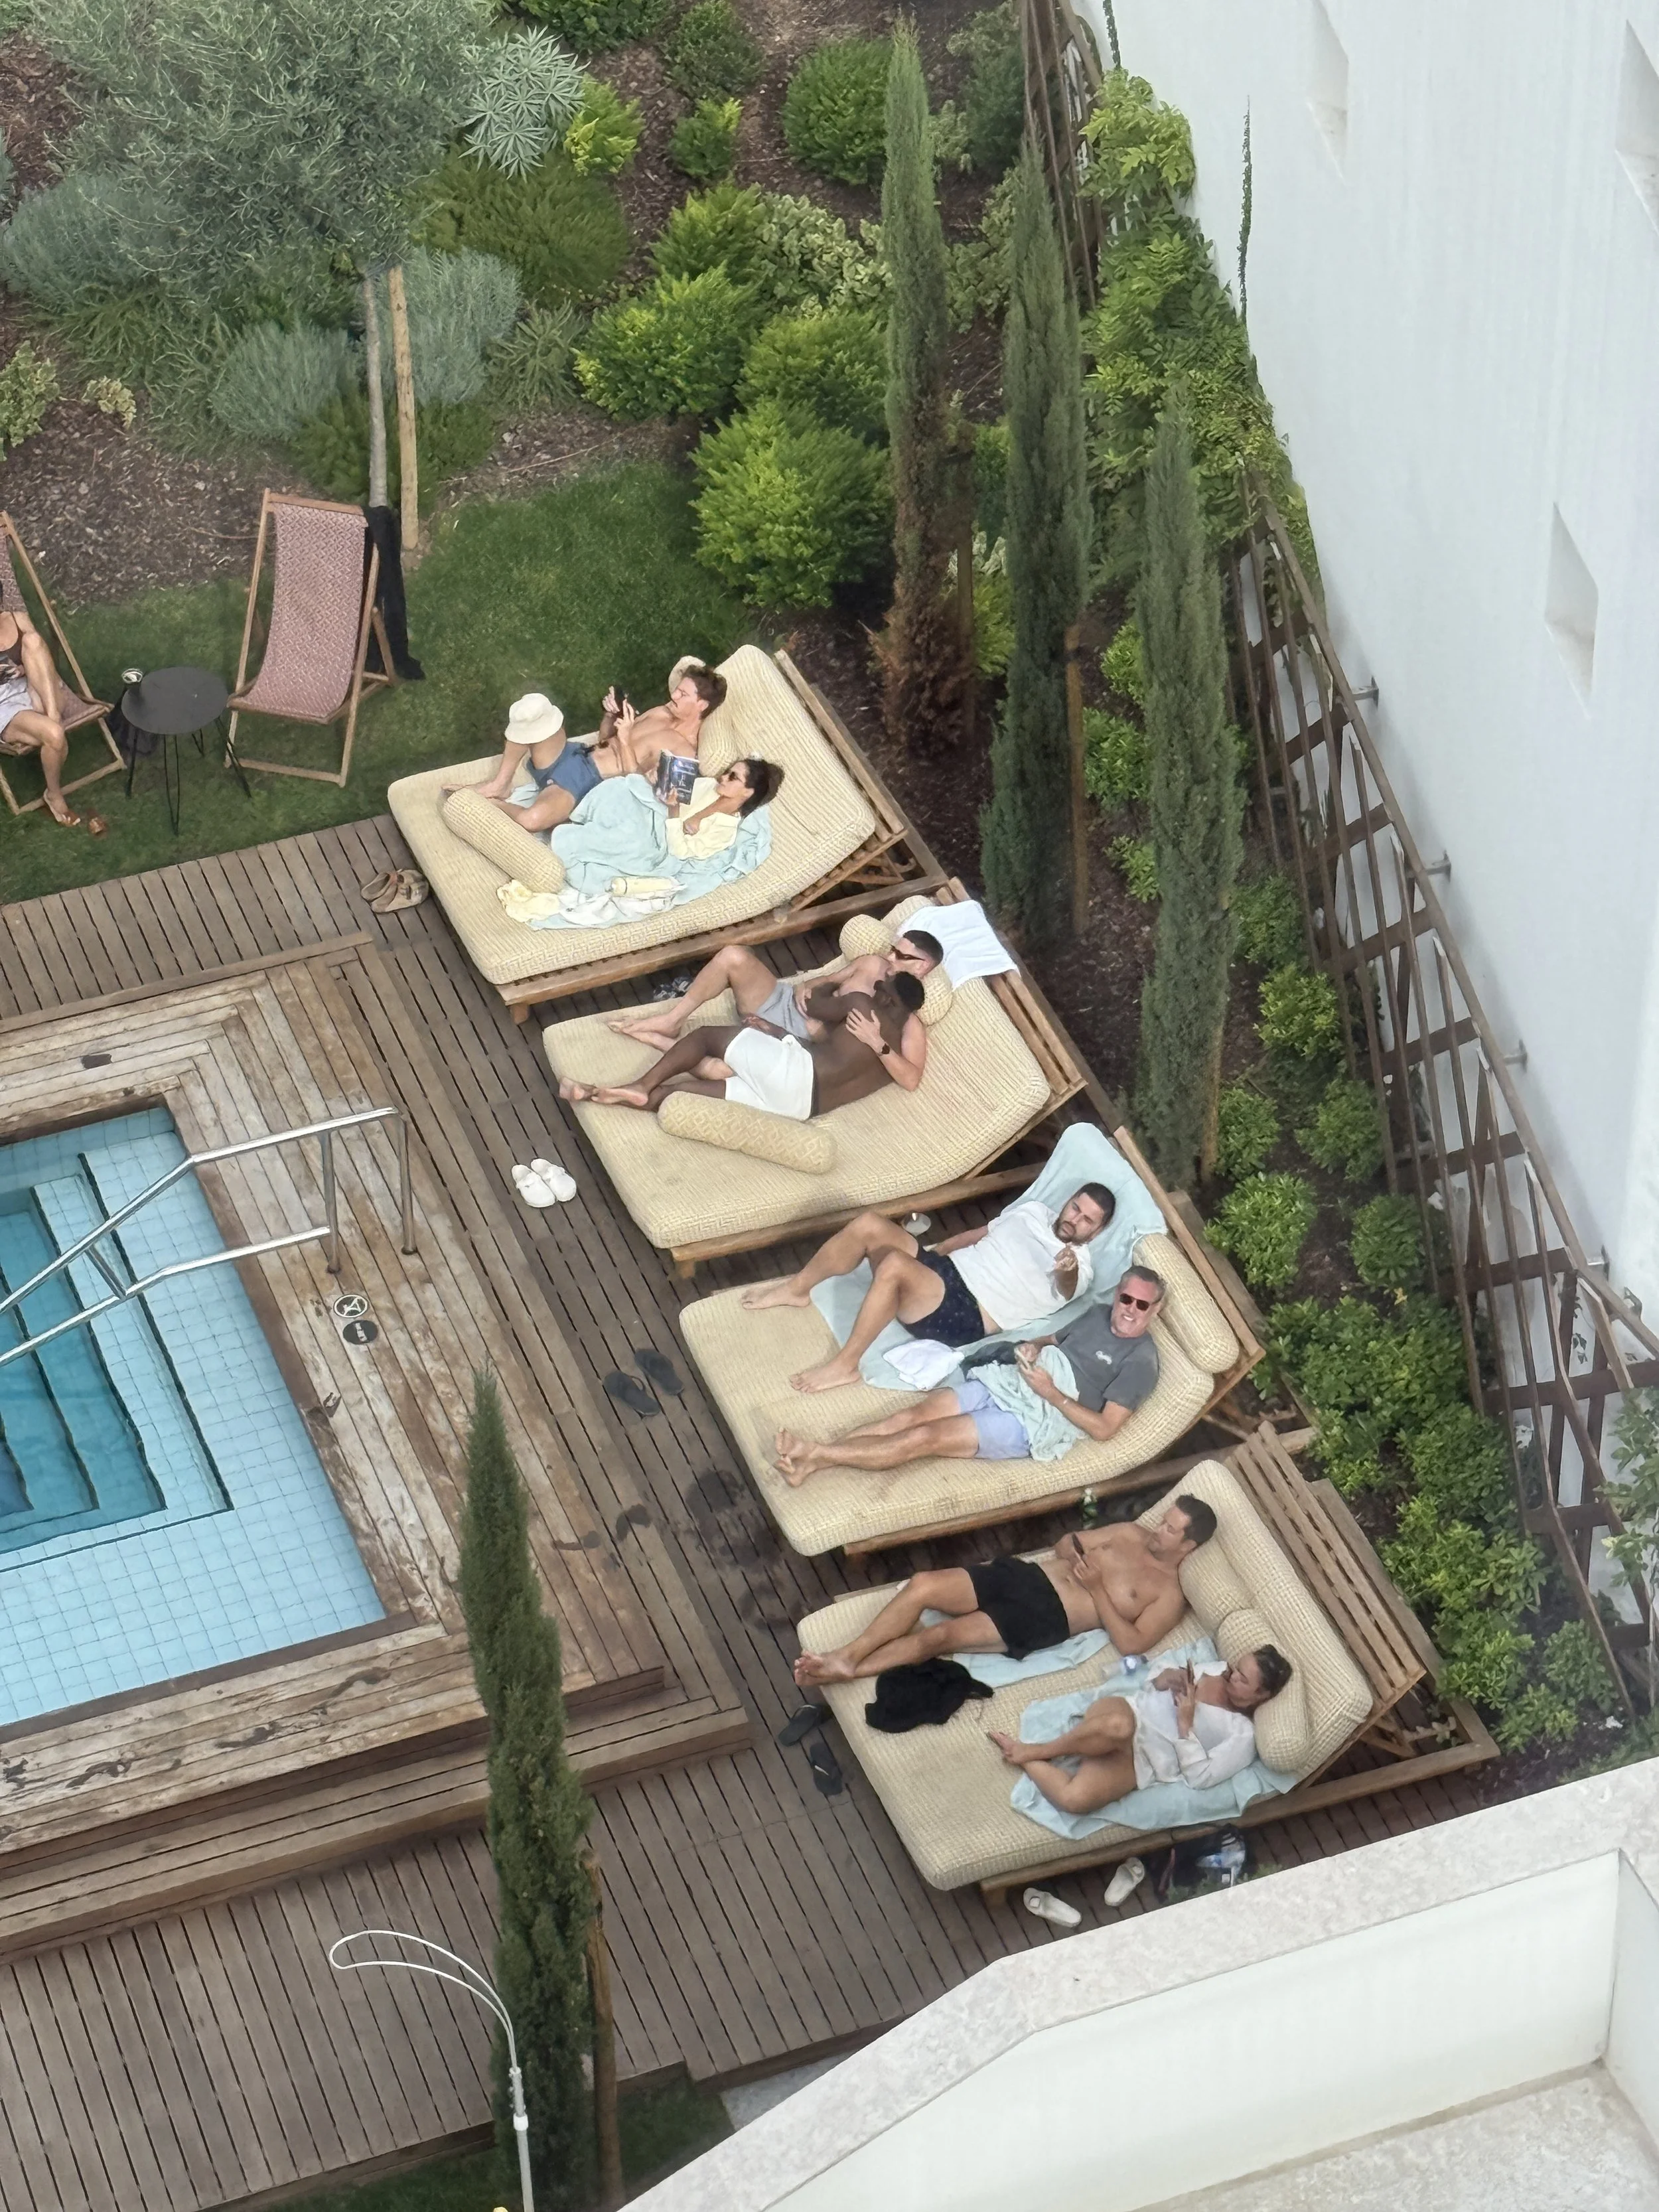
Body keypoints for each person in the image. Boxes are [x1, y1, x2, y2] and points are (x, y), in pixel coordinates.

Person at [792, 1495, 1218, 1686]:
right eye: (1163, 1519)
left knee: (938, 1638)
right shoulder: (1129, 1532)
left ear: (1189, 1546)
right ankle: (846, 1656)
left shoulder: (1168, 1594)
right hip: (1026, 1575)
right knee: (923, 1586)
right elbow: (1066, 1541)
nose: (1158, 1529)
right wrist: (1074, 1555)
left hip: (1047, 1616)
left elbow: (1133, 1646)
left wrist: (1097, 1591)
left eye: (1169, 1529)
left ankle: (847, 1672)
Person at [746, 1184, 1118, 1396]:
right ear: (1068, 1201)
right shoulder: (1034, 1211)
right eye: (1075, 1208)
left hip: (965, 1312)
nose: (1075, 1220)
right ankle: (797, 1290)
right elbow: (980, 1235)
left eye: (1087, 1220)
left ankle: (845, 1366)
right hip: (944, 1272)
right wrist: (935, 1251)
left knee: (892, 1266)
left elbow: (1067, 1285)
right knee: (869, 1225)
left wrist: (1066, 1268)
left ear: (1096, 1232)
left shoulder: (1079, 1268)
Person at [774, 1264, 1164, 1460]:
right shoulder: (1097, 1313)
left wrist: (1053, 1395)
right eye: (1126, 1298)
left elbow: (1105, 1430)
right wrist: (1032, 1345)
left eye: (1141, 1304)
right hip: (1015, 1379)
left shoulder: (1141, 1361)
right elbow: (1054, 1338)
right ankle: (817, 1459)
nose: (1129, 1309)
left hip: (1041, 1416)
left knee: (926, 1438)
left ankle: (818, 1453)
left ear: (1155, 1310)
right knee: (911, 1418)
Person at [609, 926, 944, 1098]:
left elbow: (912, 1079)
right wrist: (804, 987)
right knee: (733, 956)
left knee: (725, 1072)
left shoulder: (907, 1021)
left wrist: (869, 1042)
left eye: (901, 956)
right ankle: (671, 1022)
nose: (891, 958)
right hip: (783, 1003)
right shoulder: (873, 964)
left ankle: (663, 1047)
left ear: (924, 967)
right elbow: (827, 980)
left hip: (797, 1045)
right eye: (892, 949)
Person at [558, 972, 926, 1123]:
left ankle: (640, 1085)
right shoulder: (895, 1051)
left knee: (705, 1037)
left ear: (885, 996)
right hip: (801, 1108)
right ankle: (594, 1094)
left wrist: (836, 980)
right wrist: (777, 1033)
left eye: (883, 984)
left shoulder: (862, 1005)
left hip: (796, 1074)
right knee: (681, 1094)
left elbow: (812, 1003)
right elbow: (833, 1057)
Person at [988, 1645, 1294, 1816]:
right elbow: (1154, 1682)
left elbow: (1201, 1778)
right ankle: (1040, 1750)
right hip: (1129, 1713)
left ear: (1261, 1696)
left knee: (1076, 1800)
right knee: (1117, 1728)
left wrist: (1185, 1725)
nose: (1230, 1675)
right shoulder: (1216, 1669)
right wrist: (1165, 1679)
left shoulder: (1241, 1735)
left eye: (1242, 1679)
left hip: (1143, 1760)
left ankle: (1023, 1757)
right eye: (1236, 1667)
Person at [459, 661, 729, 830]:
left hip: (583, 783)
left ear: (702, 705)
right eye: (677, 689)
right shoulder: (661, 712)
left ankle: (490, 803)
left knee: (531, 820)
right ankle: (501, 784)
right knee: (532, 708)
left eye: (683, 694)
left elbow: (641, 796)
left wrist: (625, 740)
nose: (673, 695)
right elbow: (604, 739)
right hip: (573, 754)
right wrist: (610, 716)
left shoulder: (684, 755)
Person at [0, 601, 79, 826]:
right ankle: (54, 794)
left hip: (34, 687)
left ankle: (51, 714)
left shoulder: (16, 617)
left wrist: (22, 670)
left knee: (33, 640)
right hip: (4, 704)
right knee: (55, 735)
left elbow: (41, 656)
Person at [662, 758, 782, 859]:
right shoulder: (709, 785)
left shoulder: (725, 831)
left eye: (733, 777)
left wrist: (674, 813)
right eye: (727, 772)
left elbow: (680, 853)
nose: (723, 777)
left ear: (748, 792)